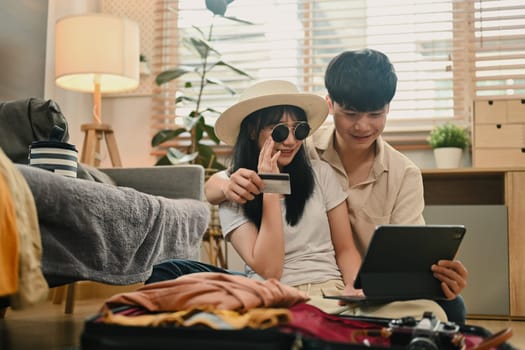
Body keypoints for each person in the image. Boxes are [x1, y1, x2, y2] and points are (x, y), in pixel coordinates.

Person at [204, 50, 468, 324]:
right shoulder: (301, 149)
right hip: (281, 287)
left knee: (448, 308)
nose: (362, 125)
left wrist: (434, 277)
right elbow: (223, 182)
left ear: (388, 108)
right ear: (331, 105)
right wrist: (225, 186)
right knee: (183, 273)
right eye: (351, 113)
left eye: (375, 113)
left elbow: (381, 254)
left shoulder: (398, 175)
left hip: (355, 286)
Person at [148, 79, 447, 320]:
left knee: (431, 313)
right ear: (253, 130)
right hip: (274, 294)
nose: (290, 140)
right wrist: (270, 187)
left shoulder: (322, 173)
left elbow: (345, 249)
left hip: (330, 291)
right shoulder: (235, 190)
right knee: (169, 273)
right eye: (278, 131)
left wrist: (355, 287)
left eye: (299, 130)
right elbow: (270, 269)